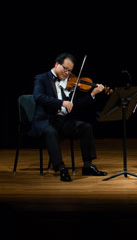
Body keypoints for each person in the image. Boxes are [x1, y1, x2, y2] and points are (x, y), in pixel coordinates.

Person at [31, 53, 107, 182]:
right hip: (46, 121)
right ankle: (61, 168)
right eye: (65, 69)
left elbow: (74, 106)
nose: (67, 73)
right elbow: (38, 96)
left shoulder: (70, 83)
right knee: (51, 132)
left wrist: (92, 94)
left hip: (62, 121)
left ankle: (88, 166)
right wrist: (61, 102)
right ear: (56, 64)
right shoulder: (41, 78)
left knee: (86, 127)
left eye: (70, 71)